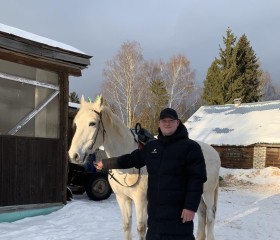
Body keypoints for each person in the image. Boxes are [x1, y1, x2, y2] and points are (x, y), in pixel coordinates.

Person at [95, 108, 207, 240]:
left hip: (179, 214)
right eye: (164, 121)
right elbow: (131, 159)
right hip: (155, 216)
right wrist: (106, 163)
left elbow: (197, 179)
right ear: (159, 124)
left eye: (171, 120)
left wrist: (190, 207)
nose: (167, 123)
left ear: (178, 123)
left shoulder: (191, 147)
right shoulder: (152, 146)